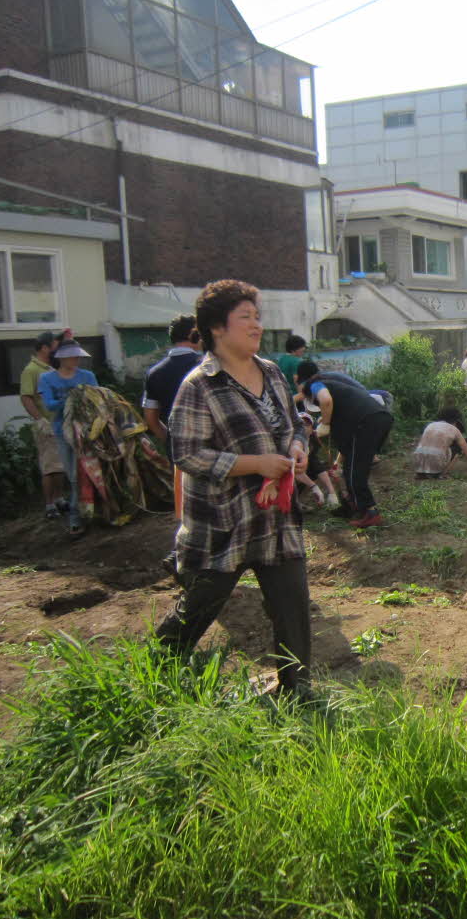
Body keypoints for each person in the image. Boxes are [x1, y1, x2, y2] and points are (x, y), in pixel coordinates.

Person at [155, 279, 312, 698]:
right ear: (217, 327)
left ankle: (297, 691)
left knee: (292, 605)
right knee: (200, 607)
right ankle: (155, 670)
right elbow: (186, 453)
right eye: (246, 318)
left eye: (257, 317)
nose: (256, 325)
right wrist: (254, 464)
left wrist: (297, 448)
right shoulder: (199, 386)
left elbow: (296, 424)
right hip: (224, 522)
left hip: (275, 518)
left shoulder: (273, 372)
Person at [298, 364, 393, 527]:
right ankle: (352, 506)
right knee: (351, 467)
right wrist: (336, 463)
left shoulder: (315, 384)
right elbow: (346, 444)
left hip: (368, 421)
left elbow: (326, 400)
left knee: (355, 471)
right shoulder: (341, 402)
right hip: (379, 419)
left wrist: (326, 423)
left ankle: (370, 512)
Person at [38, 338, 99, 537]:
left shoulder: (87, 376)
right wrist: (71, 397)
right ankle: (75, 518)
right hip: (63, 432)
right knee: (73, 476)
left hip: (88, 431)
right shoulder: (47, 379)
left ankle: (96, 512)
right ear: (61, 358)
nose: (75, 359)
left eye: (77, 356)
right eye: (71, 356)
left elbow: (97, 400)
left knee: (94, 471)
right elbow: (49, 405)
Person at [20, 330, 67, 519]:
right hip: (46, 425)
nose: (58, 348)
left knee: (60, 464)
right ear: (45, 347)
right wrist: (40, 420)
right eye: (55, 345)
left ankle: (59, 498)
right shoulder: (31, 370)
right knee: (49, 466)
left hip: (59, 422)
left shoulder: (51, 368)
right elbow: (26, 397)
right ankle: (49, 505)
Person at [142, 314, 204, 443]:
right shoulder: (205, 367)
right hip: (209, 447)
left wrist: (170, 442)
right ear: (193, 334)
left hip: (176, 447)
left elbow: (151, 419)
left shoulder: (154, 373)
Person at [413, 407, 467, 479]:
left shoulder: (430, 425)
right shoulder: (455, 430)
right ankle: (442, 474)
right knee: (457, 450)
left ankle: (422, 473)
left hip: (417, 461)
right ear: (457, 420)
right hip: (436, 462)